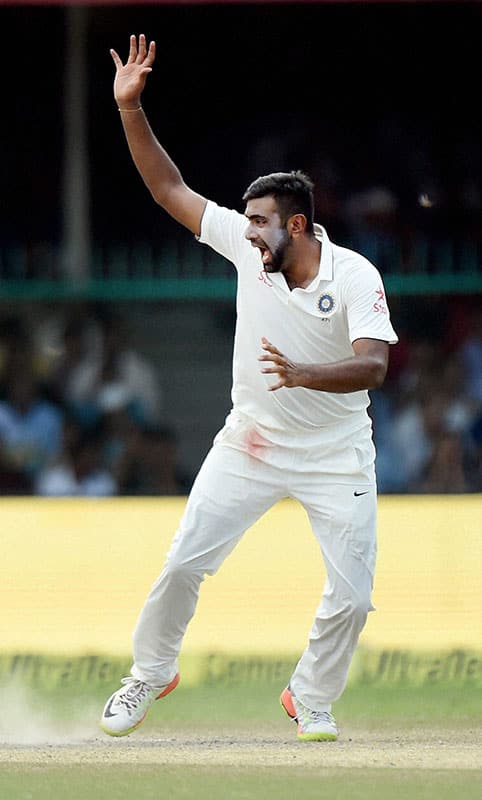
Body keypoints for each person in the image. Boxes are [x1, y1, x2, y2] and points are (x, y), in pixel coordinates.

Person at [100, 34, 398, 742]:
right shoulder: (245, 247)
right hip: (253, 442)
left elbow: (375, 367)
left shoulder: (354, 275)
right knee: (183, 565)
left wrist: (304, 375)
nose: (248, 228)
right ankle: (148, 674)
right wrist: (130, 109)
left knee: (353, 600)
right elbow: (167, 188)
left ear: (297, 225)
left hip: (336, 450)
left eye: (261, 220)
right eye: (247, 219)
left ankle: (311, 697)